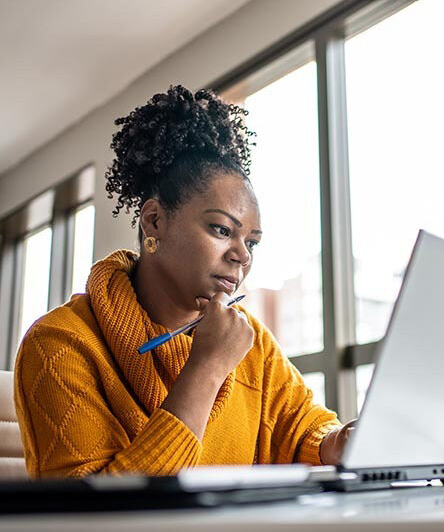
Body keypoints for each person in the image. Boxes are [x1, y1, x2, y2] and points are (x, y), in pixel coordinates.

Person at [14, 85, 354, 478]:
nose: (242, 255)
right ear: (155, 220)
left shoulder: (252, 341)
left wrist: (338, 441)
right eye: (222, 229)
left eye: (252, 242)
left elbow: (302, 430)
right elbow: (94, 518)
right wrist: (207, 367)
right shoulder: (60, 343)